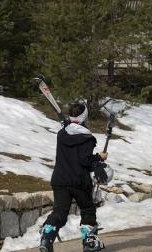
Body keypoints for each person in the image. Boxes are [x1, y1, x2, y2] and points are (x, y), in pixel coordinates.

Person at [39, 101, 108, 252]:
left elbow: (70, 135)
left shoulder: (62, 133)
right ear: (85, 117)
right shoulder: (87, 138)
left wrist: (68, 125)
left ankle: (47, 236)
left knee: (60, 213)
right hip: (79, 181)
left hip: (59, 180)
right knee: (88, 210)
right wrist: (99, 158)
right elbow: (84, 161)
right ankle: (89, 242)